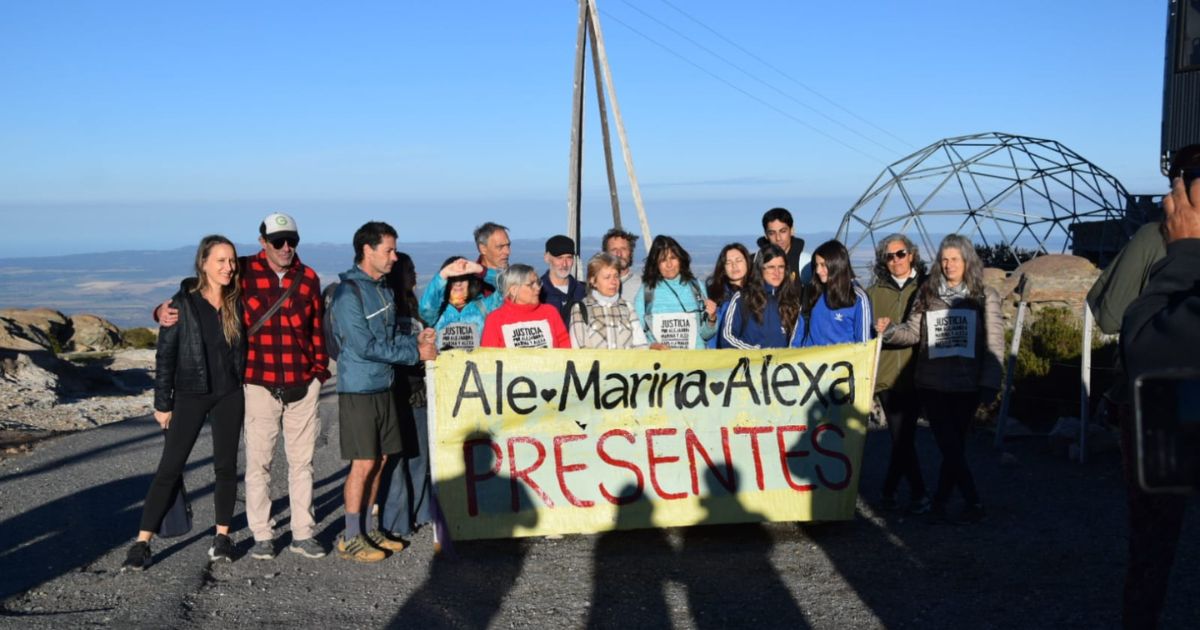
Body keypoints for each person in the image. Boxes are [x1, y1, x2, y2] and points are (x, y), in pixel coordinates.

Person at [155, 212, 329, 561]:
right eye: (277, 241)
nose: (285, 247)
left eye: (291, 240)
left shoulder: (308, 278)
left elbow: (315, 328)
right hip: (259, 383)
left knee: (302, 464)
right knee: (258, 465)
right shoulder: (243, 271)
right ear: (262, 241)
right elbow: (198, 290)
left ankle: (303, 533)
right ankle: (262, 534)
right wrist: (160, 309)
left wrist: (319, 371)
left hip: (302, 383)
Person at [1105, 145, 1200, 629]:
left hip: (1157, 406)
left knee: (1154, 537)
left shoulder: (1156, 238)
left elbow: (1116, 318)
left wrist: (1180, 253)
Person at [123, 235, 246, 571]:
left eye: (232, 260)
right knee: (170, 468)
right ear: (203, 263)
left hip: (230, 394)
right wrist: (163, 404)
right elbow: (166, 357)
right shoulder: (181, 305)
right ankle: (142, 543)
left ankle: (222, 537)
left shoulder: (238, 300)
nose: (228, 267)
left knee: (225, 468)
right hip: (190, 394)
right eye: (220, 260)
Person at [329, 222, 437, 562]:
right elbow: (364, 346)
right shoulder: (348, 294)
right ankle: (351, 536)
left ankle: (366, 528)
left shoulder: (384, 290)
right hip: (359, 389)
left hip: (384, 385)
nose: (394, 257)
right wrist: (414, 353)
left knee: (382, 459)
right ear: (367, 250)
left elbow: (389, 339)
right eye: (388, 250)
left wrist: (416, 341)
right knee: (363, 464)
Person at [879, 234, 1004, 524]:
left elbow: (994, 343)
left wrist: (990, 382)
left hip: (967, 384)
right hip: (932, 383)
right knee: (948, 443)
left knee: (955, 446)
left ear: (967, 261)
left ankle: (942, 501)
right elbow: (912, 331)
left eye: (954, 259)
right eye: (944, 259)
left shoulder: (984, 295)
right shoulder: (928, 292)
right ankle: (972, 499)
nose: (949, 265)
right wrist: (888, 332)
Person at [867, 234, 930, 513]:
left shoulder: (928, 287)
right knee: (900, 436)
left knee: (903, 438)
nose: (895, 260)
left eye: (900, 254)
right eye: (889, 256)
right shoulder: (874, 293)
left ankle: (889, 491)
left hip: (918, 374)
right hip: (887, 376)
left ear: (912, 254)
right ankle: (919, 494)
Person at [380, 253, 434, 543]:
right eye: (409, 270)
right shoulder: (388, 308)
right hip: (395, 390)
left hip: (419, 391)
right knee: (397, 460)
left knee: (420, 455)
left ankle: (421, 510)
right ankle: (397, 520)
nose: (414, 275)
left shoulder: (416, 307)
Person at [634, 235, 718, 349]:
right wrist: (652, 346)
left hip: (695, 363)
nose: (669, 265)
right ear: (656, 264)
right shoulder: (646, 292)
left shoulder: (696, 287)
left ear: (680, 259)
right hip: (662, 363)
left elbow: (705, 335)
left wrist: (712, 318)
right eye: (663, 260)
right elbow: (637, 335)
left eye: (673, 257)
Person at [718, 244, 800, 349]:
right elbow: (727, 338)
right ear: (761, 269)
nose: (777, 272)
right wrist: (757, 354)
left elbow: (797, 340)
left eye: (781, 267)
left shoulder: (792, 300)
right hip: (752, 363)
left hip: (782, 363)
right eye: (771, 267)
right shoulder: (743, 299)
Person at [794, 240, 871, 347]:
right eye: (816, 265)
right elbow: (799, 332)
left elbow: (864, 343)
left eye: (823, 265)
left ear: (837, 264)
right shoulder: (813, 292)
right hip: (810, 360)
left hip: (841, 362)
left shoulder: (857, 298)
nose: (818, 270)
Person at [568, 253, 650, 349]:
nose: (614, 282)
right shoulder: (581, 309)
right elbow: (579, 348)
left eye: (616, 276)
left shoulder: (628, 308)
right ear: (593, 281)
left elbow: (641, 346)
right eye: (607, 277)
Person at [480, 264, 572, 349]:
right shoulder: (495, 319)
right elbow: (489, 359)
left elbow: (565, 348)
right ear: (513, 290)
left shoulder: (550, 312)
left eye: (538, 282)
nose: (538, 288)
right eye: (531, 284)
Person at [419, 256, 493, 351]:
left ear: (470, 282)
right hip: (444, 365)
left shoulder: (484, 307)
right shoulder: (437, 312)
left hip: (477, 365)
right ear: (445, 283)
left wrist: (481, 271)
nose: (458, 284)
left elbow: (507, 288)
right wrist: (442, 275)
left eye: (463, 279)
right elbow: (426, 308)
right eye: (452, 279)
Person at [705, 243, 752, 349]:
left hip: (752, 357)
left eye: (738, 261)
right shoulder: (712, 294)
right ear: (723, 268)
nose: (734, 266)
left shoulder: (759, 294)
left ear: (747, 262)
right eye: (728, 263)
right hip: (720, 358)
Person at [539, 234, 586, 325]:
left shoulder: (583, 291)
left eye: (569, 258)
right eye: (559, 258)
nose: (564, 264)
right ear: (547, 258)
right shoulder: (537, 293)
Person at [756, 207, 810, 286]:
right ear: (766, 235)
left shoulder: (806, 263)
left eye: (783, 231)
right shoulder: (755, 262)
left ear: (792, 231)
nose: (778, 238)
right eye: (772, 233)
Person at [602, 227, 641, 303]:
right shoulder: (596, 286)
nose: (619, 254)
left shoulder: (643, 286)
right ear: (605, 255)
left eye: (623, 249)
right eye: (614, 250)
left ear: (631, 253)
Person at [473, 222, 511, 296]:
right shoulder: (469, 282)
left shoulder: (517, 276)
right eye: (500, 247)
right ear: (483, 249)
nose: (507, 252)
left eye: (508, 245)